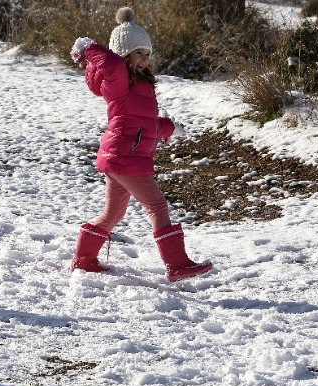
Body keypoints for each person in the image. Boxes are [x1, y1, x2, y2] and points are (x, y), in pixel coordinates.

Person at [69, 7, 212, 282]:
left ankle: (84, 259)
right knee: (157, 206)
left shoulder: (140, 85)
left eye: (147, 54)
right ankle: (177, 264)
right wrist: (89, 48)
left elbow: (145, 124)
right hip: (126, 157)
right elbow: (109, 64)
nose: (145, 60)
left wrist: (171, 128)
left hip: (121, 157)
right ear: (123, 55)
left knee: (113, 213)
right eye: (138, 53)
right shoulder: (118, 79)